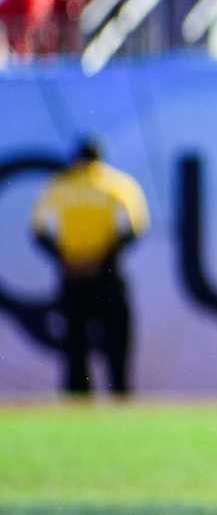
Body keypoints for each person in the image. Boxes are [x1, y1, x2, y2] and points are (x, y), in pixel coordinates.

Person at [31, 139, 148, 397]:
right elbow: (136, 226)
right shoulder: (116, 183)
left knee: (76, 344)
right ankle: (120, 396)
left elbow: (38, 231)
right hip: (107, 274)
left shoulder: (61, 185)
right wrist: (102, 260)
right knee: (117, 341)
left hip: (73, 276)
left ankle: (77, 401)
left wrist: (66, 259)